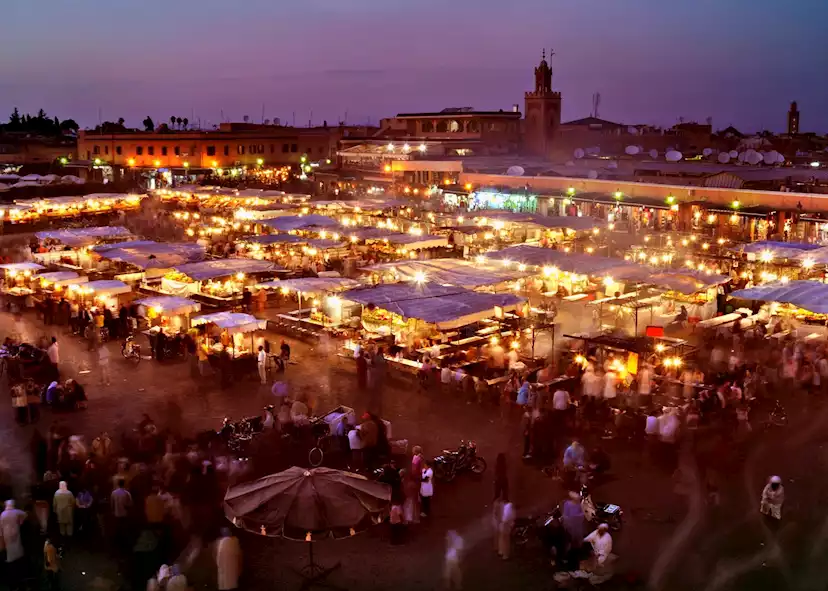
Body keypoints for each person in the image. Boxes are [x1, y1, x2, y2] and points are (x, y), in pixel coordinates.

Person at [1, 499, 27, 565]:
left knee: (9, 546)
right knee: (17, 544)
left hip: (6, 532)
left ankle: (10, 559)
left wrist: (1, 534)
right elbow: (25, 514)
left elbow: (0, 525)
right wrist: (21, 521)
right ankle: (18, 558)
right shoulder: (16, 512)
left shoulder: (3, 514)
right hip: (15, 530)